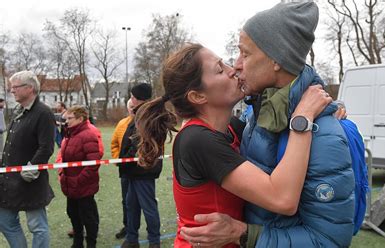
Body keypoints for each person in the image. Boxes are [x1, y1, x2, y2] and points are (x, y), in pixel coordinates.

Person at [180, 2, 355, 247]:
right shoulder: (257, 117)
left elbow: (329, 241)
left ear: (276, 60)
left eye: (246, 54)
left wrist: (245, 234)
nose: (236, 65)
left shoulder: (322, 133)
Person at [134, 43, 331, 248]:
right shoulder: (197, 140)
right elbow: (283, 199)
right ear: (198, 96)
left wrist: (327, 113)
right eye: (220, 69)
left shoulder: (230, 129)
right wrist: (303, 118)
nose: (233, 70)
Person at [0, 71, 55, 248]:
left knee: (37, 227)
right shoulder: (19, 111)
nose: (11, 91)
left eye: (15, 87)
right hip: (9, 181)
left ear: (29, 88)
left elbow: (46, 147)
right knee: (5, 221)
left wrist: (31, 169)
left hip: (30, 181)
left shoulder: (43, 113)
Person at [120, 83, 162, 248]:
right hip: (132, 170)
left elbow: (141, 141)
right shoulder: (139, 115)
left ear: (139, 99)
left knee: (148, 207)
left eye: (132, 97)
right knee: (131, 205)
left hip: (143, 170)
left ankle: (154, 242)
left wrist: (129, 154)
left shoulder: (148, 116)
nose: (131, 100)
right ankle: (132, 239)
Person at [59, 106, 102, 248]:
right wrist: (63, 175)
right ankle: (77, 243)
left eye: (70, 118)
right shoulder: (69, 134)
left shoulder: (88, 135)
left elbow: (93, 164)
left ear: (80, 119)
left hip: (83, 187)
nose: (67, 121)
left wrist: (78, 180)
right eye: (66, 118)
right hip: (70, 186)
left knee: (88, 218)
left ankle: (91, 244)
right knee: (73, 215)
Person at [111, 98, 135, 239]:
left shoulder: (146, 123)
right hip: (125, 171)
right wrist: (118, 160)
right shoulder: (121, 124)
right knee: (125, 200)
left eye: (134, 106)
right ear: (127, 108)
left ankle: (149, 233)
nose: (132, 108)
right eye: (130, 106)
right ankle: (127, 226)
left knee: (143, 201)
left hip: (141, 172)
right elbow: (114, 144)